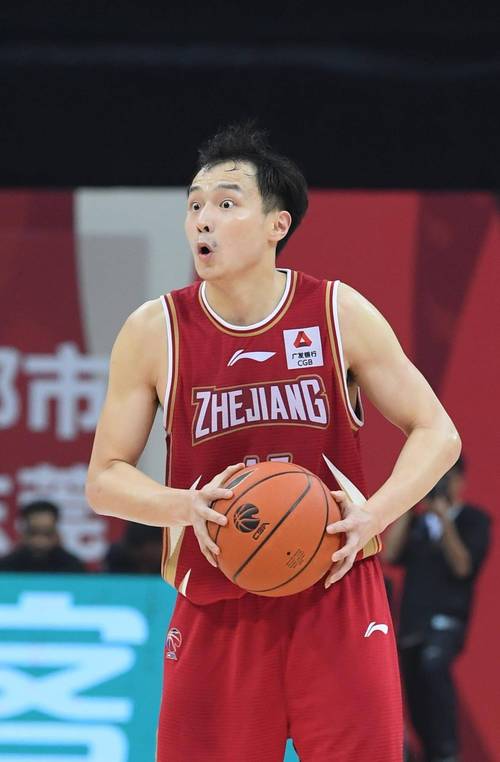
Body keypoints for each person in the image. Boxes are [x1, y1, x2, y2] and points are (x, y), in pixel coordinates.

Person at [85, 123, 461, 762]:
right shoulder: (154, 330)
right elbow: (104, 478)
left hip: (335, 592)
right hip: (217, 601)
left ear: (276, 225)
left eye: (226, 203)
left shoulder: (338, 311)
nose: (203, 219)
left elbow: (438, 432)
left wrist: (376, 512)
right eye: (194, 205)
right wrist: (183, 506)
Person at [383, 456, 490, 762]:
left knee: (434, 667)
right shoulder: (418, 524)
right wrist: (409, 506)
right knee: (414, 689)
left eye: (445, 478)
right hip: (412, 621)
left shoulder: (474, 520)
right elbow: (390, 555)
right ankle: (431, 752)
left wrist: (444, 518)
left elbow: (463, 566)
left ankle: (446, 751)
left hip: (446, 620)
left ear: (460, 481)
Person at [0, 500, 85, 573]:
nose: (40, 540)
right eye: (34, 532)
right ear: (23, 534)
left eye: (47, 533)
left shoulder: (72, 566)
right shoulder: (7, 566)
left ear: (57, 534)